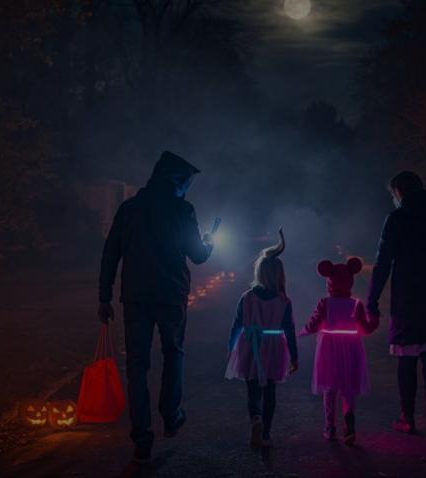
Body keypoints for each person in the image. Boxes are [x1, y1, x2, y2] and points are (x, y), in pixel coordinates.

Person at [98, 151, 214, 463]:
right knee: (173, 353)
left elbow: (111, 254)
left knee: (137, 366)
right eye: (187, 182)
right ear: (176, 181)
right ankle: (171, 414)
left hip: (135, 297)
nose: (188, 188)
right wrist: (209, 243)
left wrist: (104, 297)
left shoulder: (129, 209)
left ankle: (142, 436)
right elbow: (199, 256)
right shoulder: (183, 210)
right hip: (171, 296)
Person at [366, 171, 426, 438]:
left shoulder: (397, 219)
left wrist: (372, 300)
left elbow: (383, 262)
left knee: (406, 356)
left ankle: (407, 417)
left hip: (407, 297)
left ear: (398, 191)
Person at [225, 229, 299, 449]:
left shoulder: (246, 297)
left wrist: (231, 348)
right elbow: (290, 330)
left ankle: (255, 418)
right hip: (274, 347)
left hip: (250, 345)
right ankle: (265, 432)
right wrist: (294, 356)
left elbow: (237, 324)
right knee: (270, 390)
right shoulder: (284, 301)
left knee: (253, 389)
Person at [300, 257, 378, 445]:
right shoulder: (356, 304)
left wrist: (302, 331)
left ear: (329, 281)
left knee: (329, 386)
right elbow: (366, 329)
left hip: (328, 347)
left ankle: (330, 426)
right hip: (351, 347)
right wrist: (374, 318)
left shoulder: (325, 303)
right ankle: (349, 424)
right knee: (348, 387)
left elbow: (314, 323)